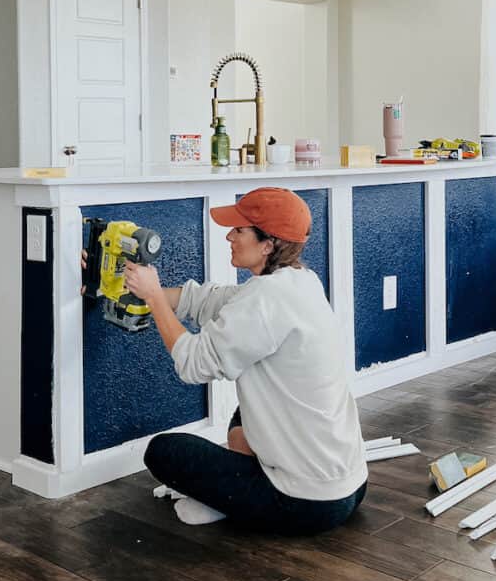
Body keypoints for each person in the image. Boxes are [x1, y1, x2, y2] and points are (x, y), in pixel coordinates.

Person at [122, 186, 367, 533]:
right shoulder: (299, 282)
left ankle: (231, 502)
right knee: (244, 412)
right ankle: (237, 492)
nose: (229, 236)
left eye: (239, 230)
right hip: (350, 486)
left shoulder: (265, 300)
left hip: (305, 503)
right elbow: (209, 300)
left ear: (267, 245)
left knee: (164, 451)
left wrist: (154, 299)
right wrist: (131, 285)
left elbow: (193, 364)